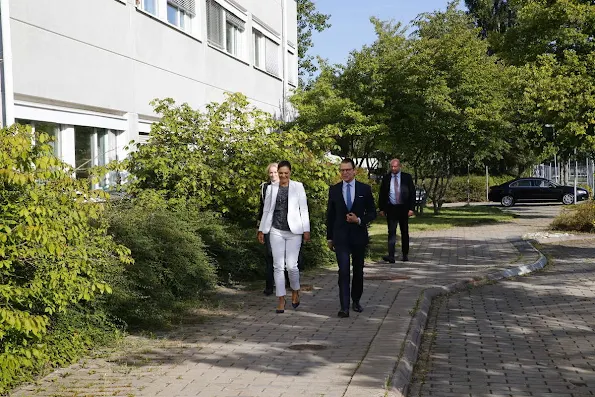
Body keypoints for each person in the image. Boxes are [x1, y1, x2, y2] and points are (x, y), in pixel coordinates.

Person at [326, 158, 377, 318]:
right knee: (343, 270)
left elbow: (372, 213)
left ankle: (356, 300)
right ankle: (344, 306)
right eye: (342, 170)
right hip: (340, 236)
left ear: (354, 171)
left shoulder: (364, 189)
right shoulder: (334, 190)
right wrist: (329, 237)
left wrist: (359, 220)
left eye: (348, 170)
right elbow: (330, 215)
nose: (345, 173)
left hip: (358, 236)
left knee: (358, 270)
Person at [258, 160, 310, 313]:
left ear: (290, 173)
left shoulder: (298, 187)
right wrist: (262, 230)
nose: (283, 176)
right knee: (278, 265)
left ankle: (295, 290)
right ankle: (281, 299)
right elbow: (266, 210)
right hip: (276, 230)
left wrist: (306, 230)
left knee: (292, 266)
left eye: (286, 173)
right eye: (280, 173)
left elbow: (304, 209)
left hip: (294, 231)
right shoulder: (271, 188)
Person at [378, 158, 415, 263]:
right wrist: (381, 208)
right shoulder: (386, 178)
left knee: (404, 231)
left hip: (403, 207)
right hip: (391, 208)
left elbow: (412, 193)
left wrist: (411, 208)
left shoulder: (406, 177)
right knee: (391, 232)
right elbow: (382, 194)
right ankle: (391, 255)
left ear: (399, 166)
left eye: (395, 166)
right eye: (392, 167)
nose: (393, 168)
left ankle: (405, 254)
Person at [257, 163, 278, 296]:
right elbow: (261, 208)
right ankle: (269, 286)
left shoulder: (286, 186)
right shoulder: (264, 187)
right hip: (269, 225)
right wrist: (259, 227)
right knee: (270, 254)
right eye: (271, 172)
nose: (273, 175)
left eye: (275, 172)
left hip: (283, 225)